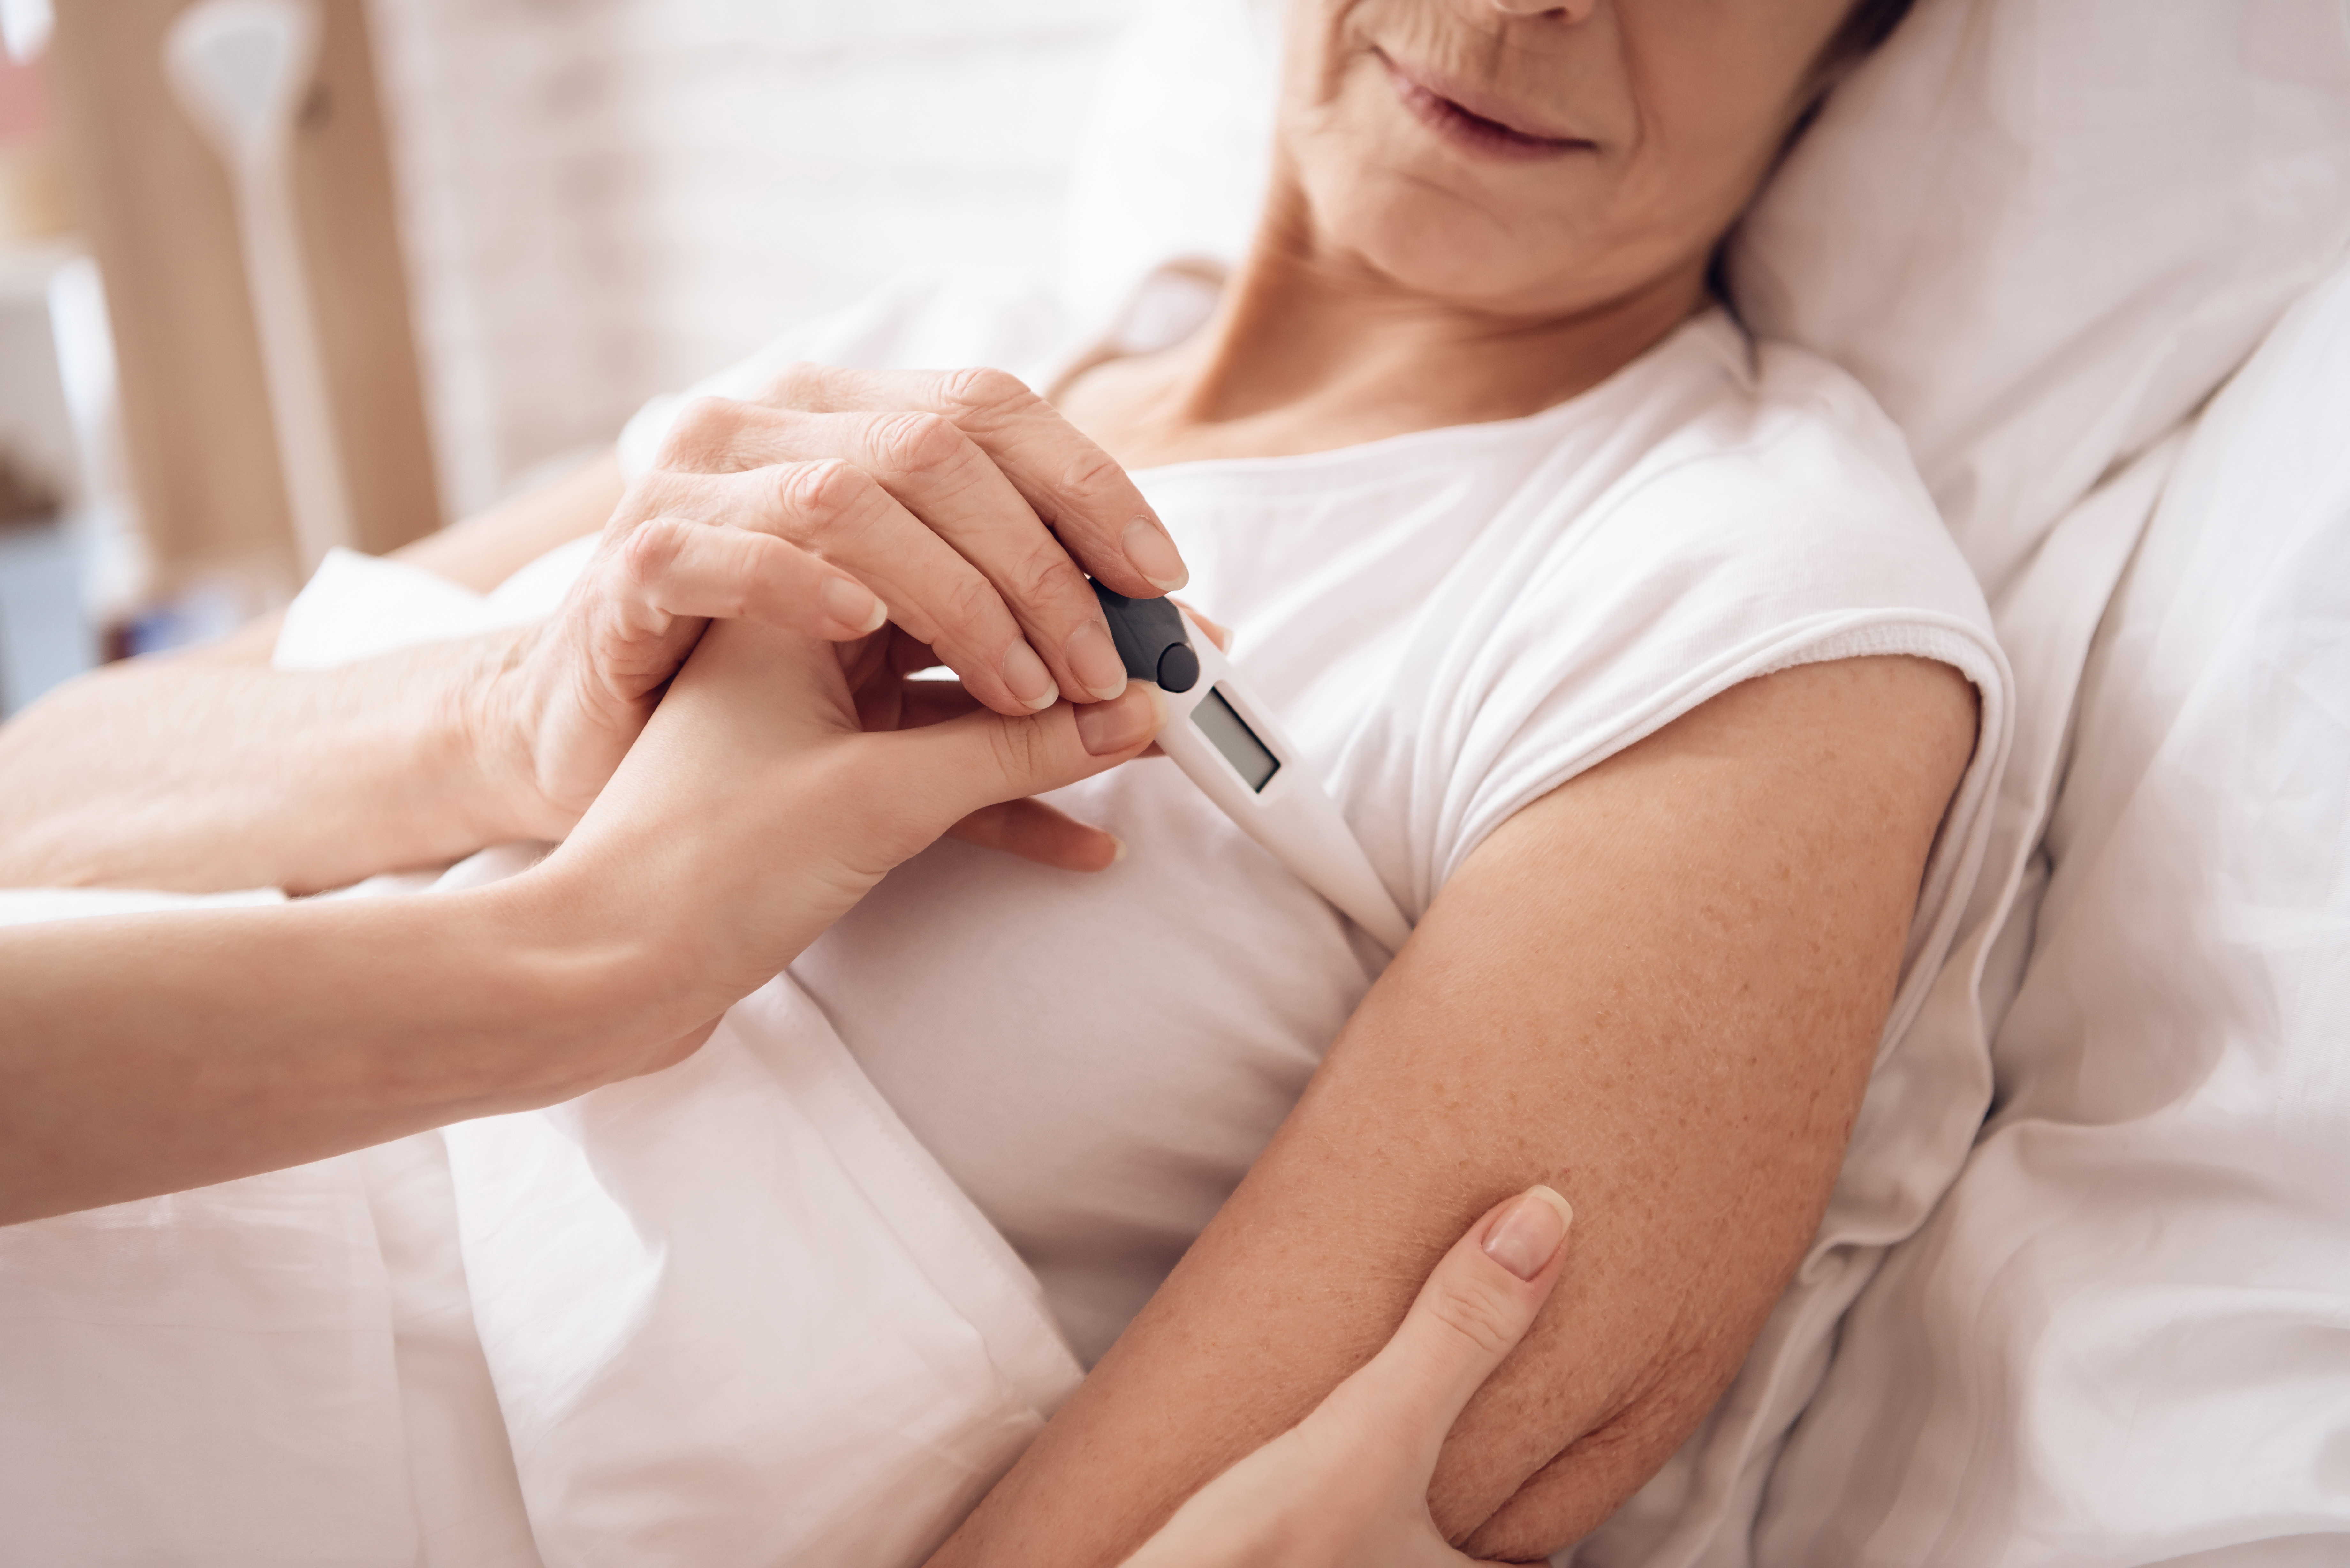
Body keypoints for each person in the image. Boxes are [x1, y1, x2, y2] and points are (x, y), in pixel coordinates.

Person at [0, 0, 1992, 1559]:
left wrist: (596, 938)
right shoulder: (935, 353)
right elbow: (44, 785)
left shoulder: (1735, 599)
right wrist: (510, 721)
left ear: (1863, 26)